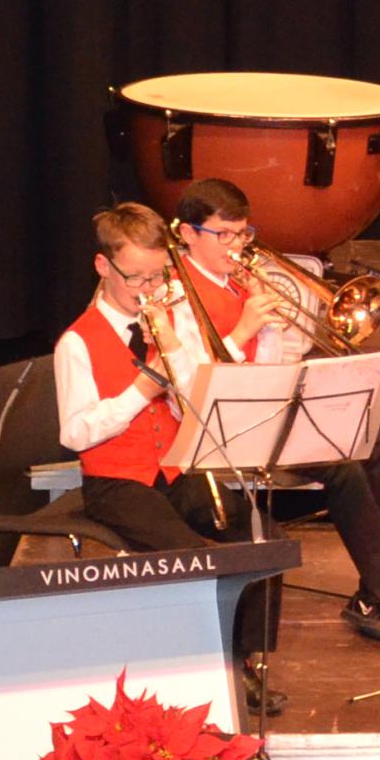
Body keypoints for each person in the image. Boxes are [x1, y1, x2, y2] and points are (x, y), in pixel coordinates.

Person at [161, 179, 380, 653]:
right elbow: (185, 393)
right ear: (188, 234)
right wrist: (244, 330)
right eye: (223, 235)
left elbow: (272, 371)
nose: (236, 247)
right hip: (214, 430)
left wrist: (270, 332)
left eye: (243, 234)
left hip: (262, 413)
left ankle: (374, 596)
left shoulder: (241, 283)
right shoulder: (175, 296)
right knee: (342, 464)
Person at [49, 204, 244, 552]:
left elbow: (195, 409)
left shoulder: (167, 321)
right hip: (114, 485)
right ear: (103, 267)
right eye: (135, 277)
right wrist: (141, 391)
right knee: (190, 556)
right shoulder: (77, 342)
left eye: (158, 276)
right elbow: (74, 434)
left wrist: (174, 348)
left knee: (266, 540)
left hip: (173, 472)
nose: (148, 289)